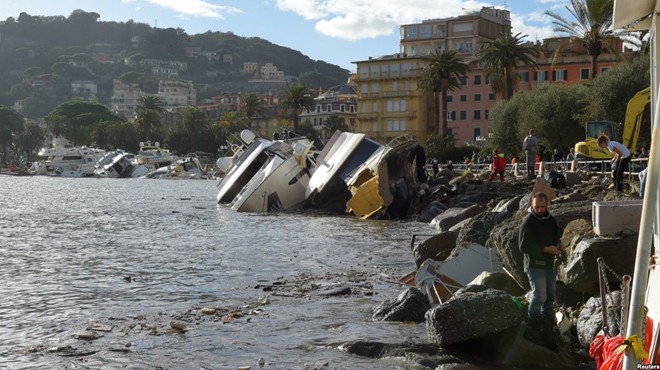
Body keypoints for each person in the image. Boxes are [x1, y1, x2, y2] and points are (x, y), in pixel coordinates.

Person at [519, 192, 562, 350]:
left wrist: (558, 246)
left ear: (547, 205)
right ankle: (533, 326)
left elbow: (556, 236)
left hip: (549, 264)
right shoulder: (528, 221)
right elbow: (523, 247)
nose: (539, 209)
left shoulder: (550, 219)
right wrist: (546, 249)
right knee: (539, 295)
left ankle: (547, 329)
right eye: (536, 207)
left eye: (542, 207)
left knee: (550, 297)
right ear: (532, 204)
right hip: (534, 265)